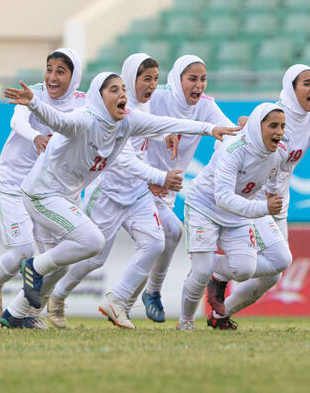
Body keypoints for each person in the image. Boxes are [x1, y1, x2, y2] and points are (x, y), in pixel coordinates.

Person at [0, 72, 238, 328]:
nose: (122, 94)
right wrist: (34, 102)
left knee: (68, 261)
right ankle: (34, 267)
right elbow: (58, 121)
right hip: (41, 194)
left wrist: (210, 128)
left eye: (123, 88)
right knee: (91, 243)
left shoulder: (127, 121)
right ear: (99, 97)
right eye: (114, 89)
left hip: (65, 195)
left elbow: (165, 122)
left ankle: (14, 312)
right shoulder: (86, 119)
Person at [205, 64, 310, 328]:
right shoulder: (271, 114)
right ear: (291, 89)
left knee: (273, 276)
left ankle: (219, 316)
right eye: (306, 83)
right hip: (254, 200)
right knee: (280, 259)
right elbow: (232, 146)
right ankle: (214, 272)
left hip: (278, 204)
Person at [46, 53, 183, 329]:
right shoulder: (116, 108)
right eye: (147, 79)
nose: (153, 85)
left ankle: (118, 300)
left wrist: (165, 133)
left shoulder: (141, 108)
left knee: (156, 242)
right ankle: (56, 297)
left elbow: (147, 127)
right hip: (107, 192)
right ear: (132, 78)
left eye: (156, 79)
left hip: (137, 193)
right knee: (94, 258)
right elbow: (125, 158)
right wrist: (160, 176)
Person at [132, 55, 237, 323]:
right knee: (169, 232)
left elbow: (225, 134)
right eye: (192, 78)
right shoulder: (157, 98)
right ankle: (147, 293)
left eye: (203, 79)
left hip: (166, 190)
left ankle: (125, 300)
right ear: (178, 79)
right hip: (137, 182)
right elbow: (132, 132)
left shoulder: (206, 105)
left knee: (162, 238)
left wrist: (248, 131)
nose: (199, 85)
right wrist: (150, 176)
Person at [0, 48, 84, 328]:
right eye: (49, 69)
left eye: (60, 71)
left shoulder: (82, 104)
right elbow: (17, 121)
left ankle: (27, 313)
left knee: (58, 259)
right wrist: (37, 136)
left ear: (74, 77)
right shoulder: (34, 93)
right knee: (24, 251)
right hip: (13, 183)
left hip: (48, 190)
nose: (52, 77)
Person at [177, 102, 286, 331]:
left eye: (282, 127)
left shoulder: (277, 154)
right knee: (200, 270)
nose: (279, 132)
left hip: (238, 213)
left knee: (245, 269)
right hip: (204, 206)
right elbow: (223, 198)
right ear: (258, 127)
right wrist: (265, 208)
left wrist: (273, 195)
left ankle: (215, 273)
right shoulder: (233, 150)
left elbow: (274, 179)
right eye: (273, 126)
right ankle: (185, 323)